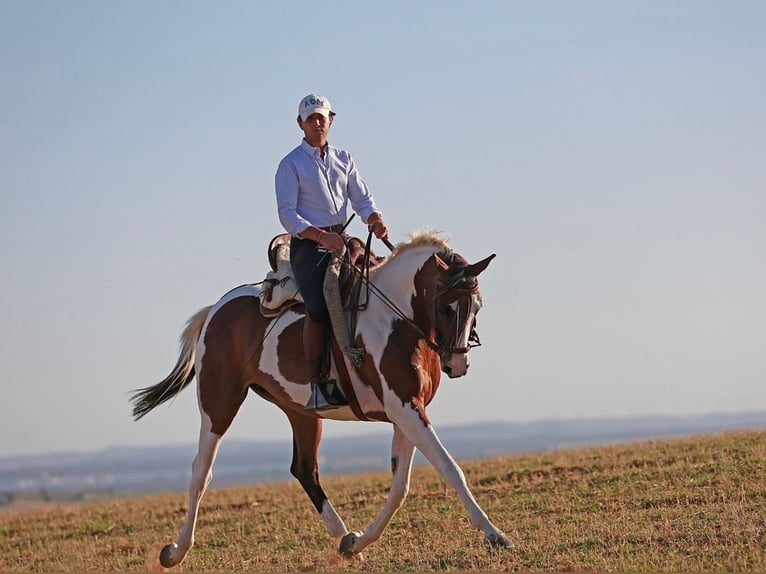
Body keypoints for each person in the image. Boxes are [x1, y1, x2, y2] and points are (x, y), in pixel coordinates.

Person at [275, 93, 388, 411]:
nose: (316, 123)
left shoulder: (345, 159)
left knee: (378, 283)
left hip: (343, 239)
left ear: (331, 120)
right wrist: (320, 236)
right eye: (310, 118)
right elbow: (288, 214)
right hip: (309, 246)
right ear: (300, 124)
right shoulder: (290, 165)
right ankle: (319, 384)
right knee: (320, 304)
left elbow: (362, 199)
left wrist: (374, 218)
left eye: (321, 117)